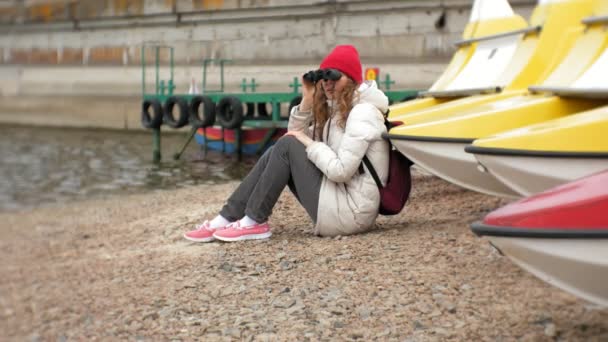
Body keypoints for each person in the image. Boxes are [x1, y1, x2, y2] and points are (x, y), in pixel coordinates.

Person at [184, 45, 390, 242]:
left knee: (286, 146)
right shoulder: (339, 113)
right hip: (339, 199)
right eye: (324, 78)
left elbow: (341, 171)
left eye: (334, 77)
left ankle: (254, 220)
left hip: (352, 214)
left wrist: (308, 143)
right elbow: (294, 135)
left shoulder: (363, 113)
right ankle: (227, 218)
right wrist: (307, 100)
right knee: (278, 149)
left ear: (352, 80)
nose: (328, 83)